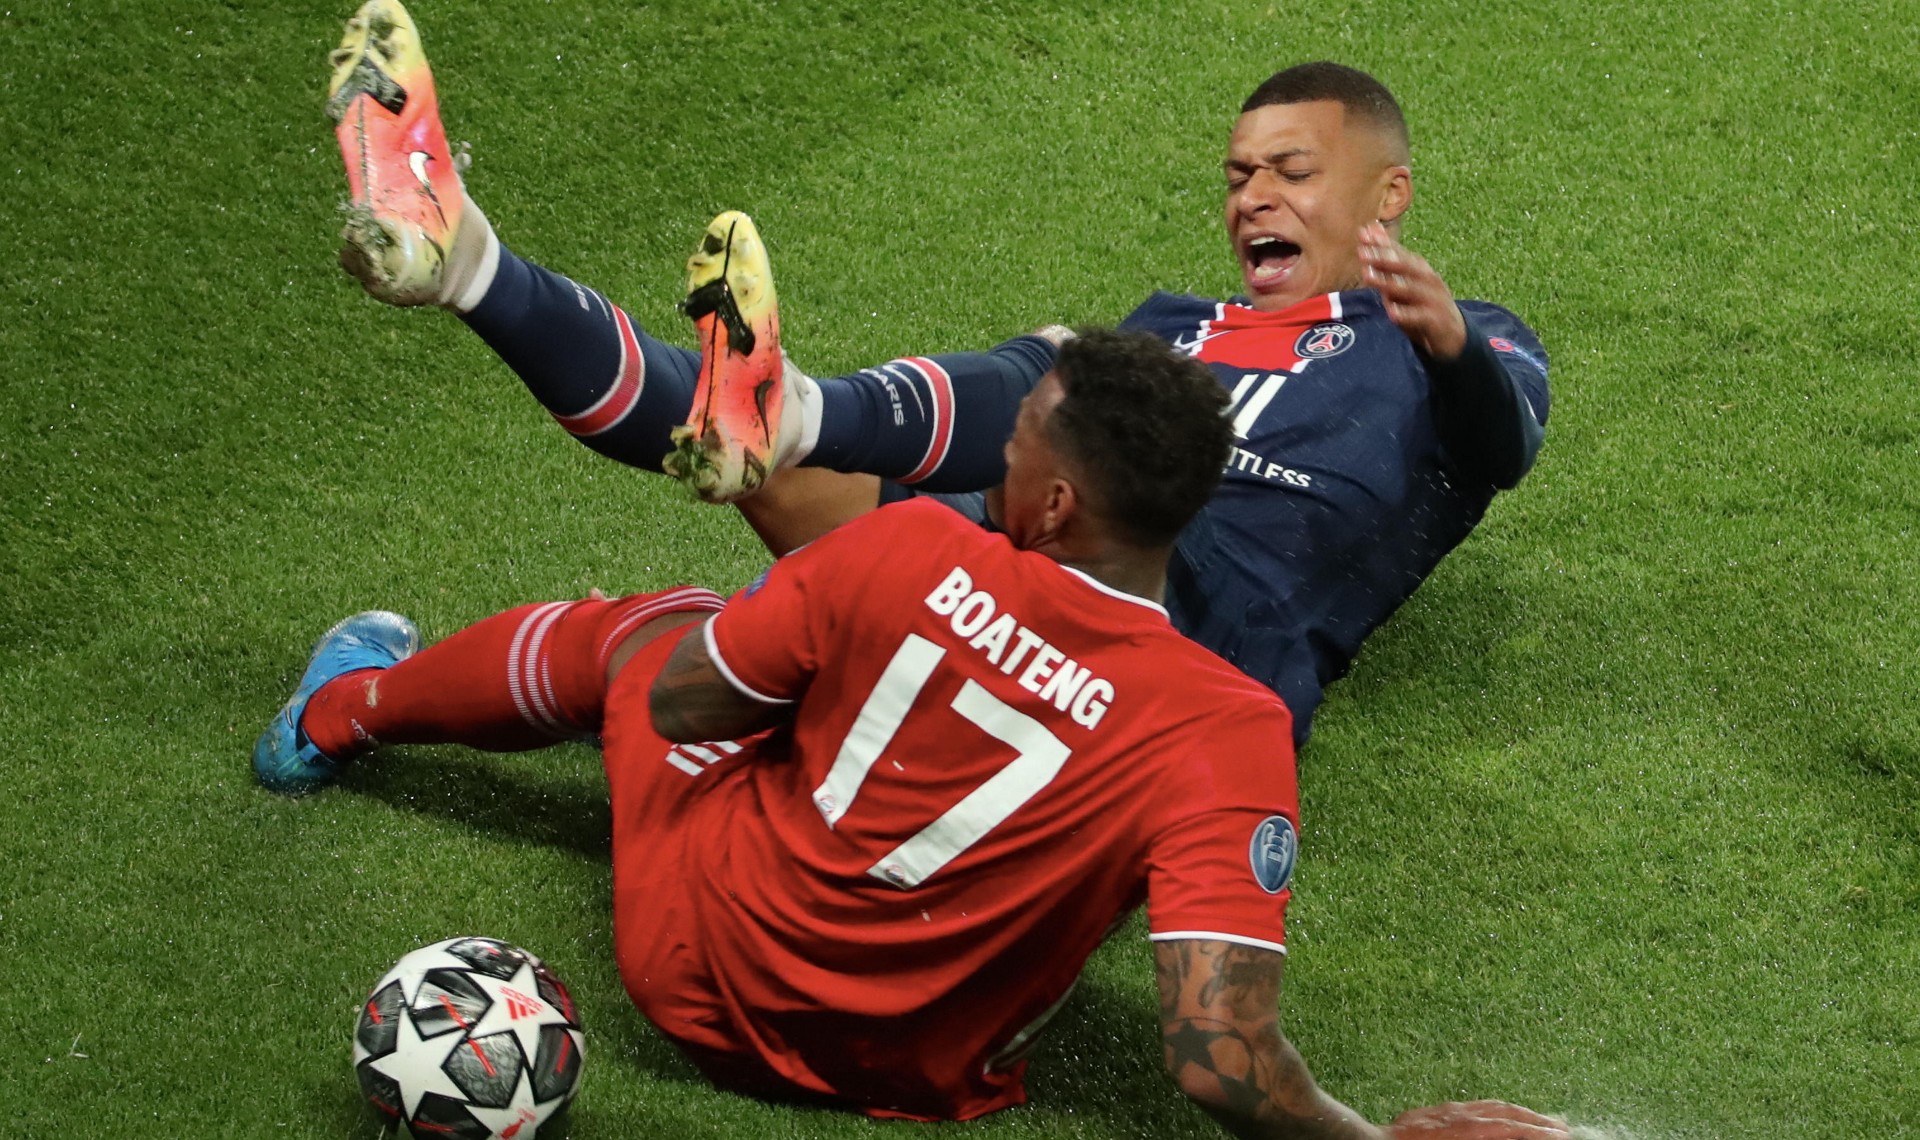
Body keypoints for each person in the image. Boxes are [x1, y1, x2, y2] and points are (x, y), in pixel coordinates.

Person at [254, 315, 1567, 1140]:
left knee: (654, 632)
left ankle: (334, 713)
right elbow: (1216, 1052)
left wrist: (848, 667)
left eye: (1014, 441)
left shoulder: (912, 546)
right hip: (919, 1068)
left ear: (1054, 500)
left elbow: (686, 712)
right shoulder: (1231, 730)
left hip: (699, 976)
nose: (994, 455)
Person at [322, 3, 1551, 748]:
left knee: (689, 634)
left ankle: (791, 420)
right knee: (768, 445)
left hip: (1200, 627)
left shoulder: (1462, 338)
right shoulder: (1182, 323)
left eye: (1292, 171)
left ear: (1389, 192)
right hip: (1027, 549)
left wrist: (1448, 343)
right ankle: (465, 262)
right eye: (1238, 176)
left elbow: (1503, 449)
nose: (1254, 197)